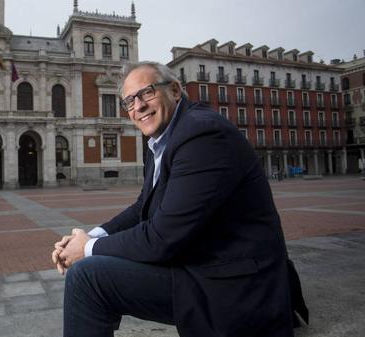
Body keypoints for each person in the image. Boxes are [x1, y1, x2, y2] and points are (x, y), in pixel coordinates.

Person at [52, 62, 308, 337]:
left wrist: (88, 248)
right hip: (200, 266)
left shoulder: (202, 134)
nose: (138, 106)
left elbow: (162, 238)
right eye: (129, 101)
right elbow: (142, 207)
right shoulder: (162, 138)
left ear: (174, 90)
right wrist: (91, 236)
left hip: (234, 285)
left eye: (146, 93)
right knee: (92, 267)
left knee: (86, 277)